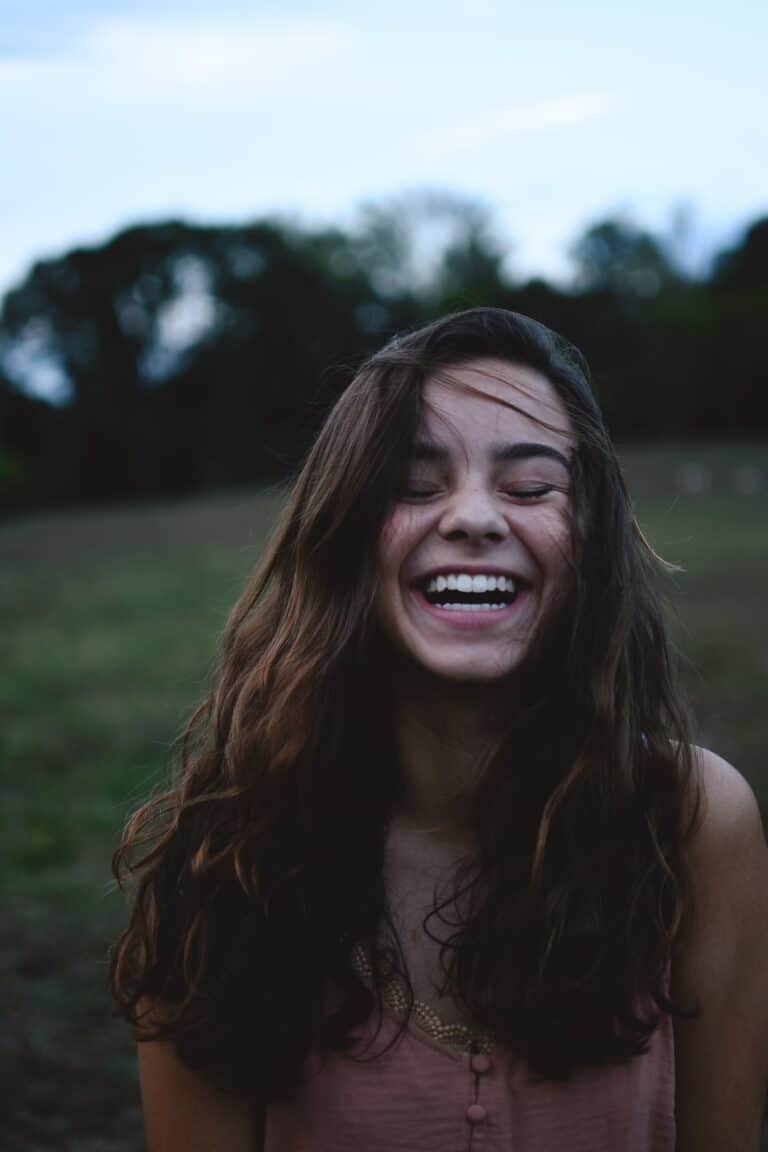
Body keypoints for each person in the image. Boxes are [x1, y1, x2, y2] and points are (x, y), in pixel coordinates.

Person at [110, 307, 768, 1151]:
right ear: (345, 537)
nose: (474, 518)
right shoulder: (221, 866)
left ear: (590, 539)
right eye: (414, 487)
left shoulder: (696, 825)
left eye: (530, 487)